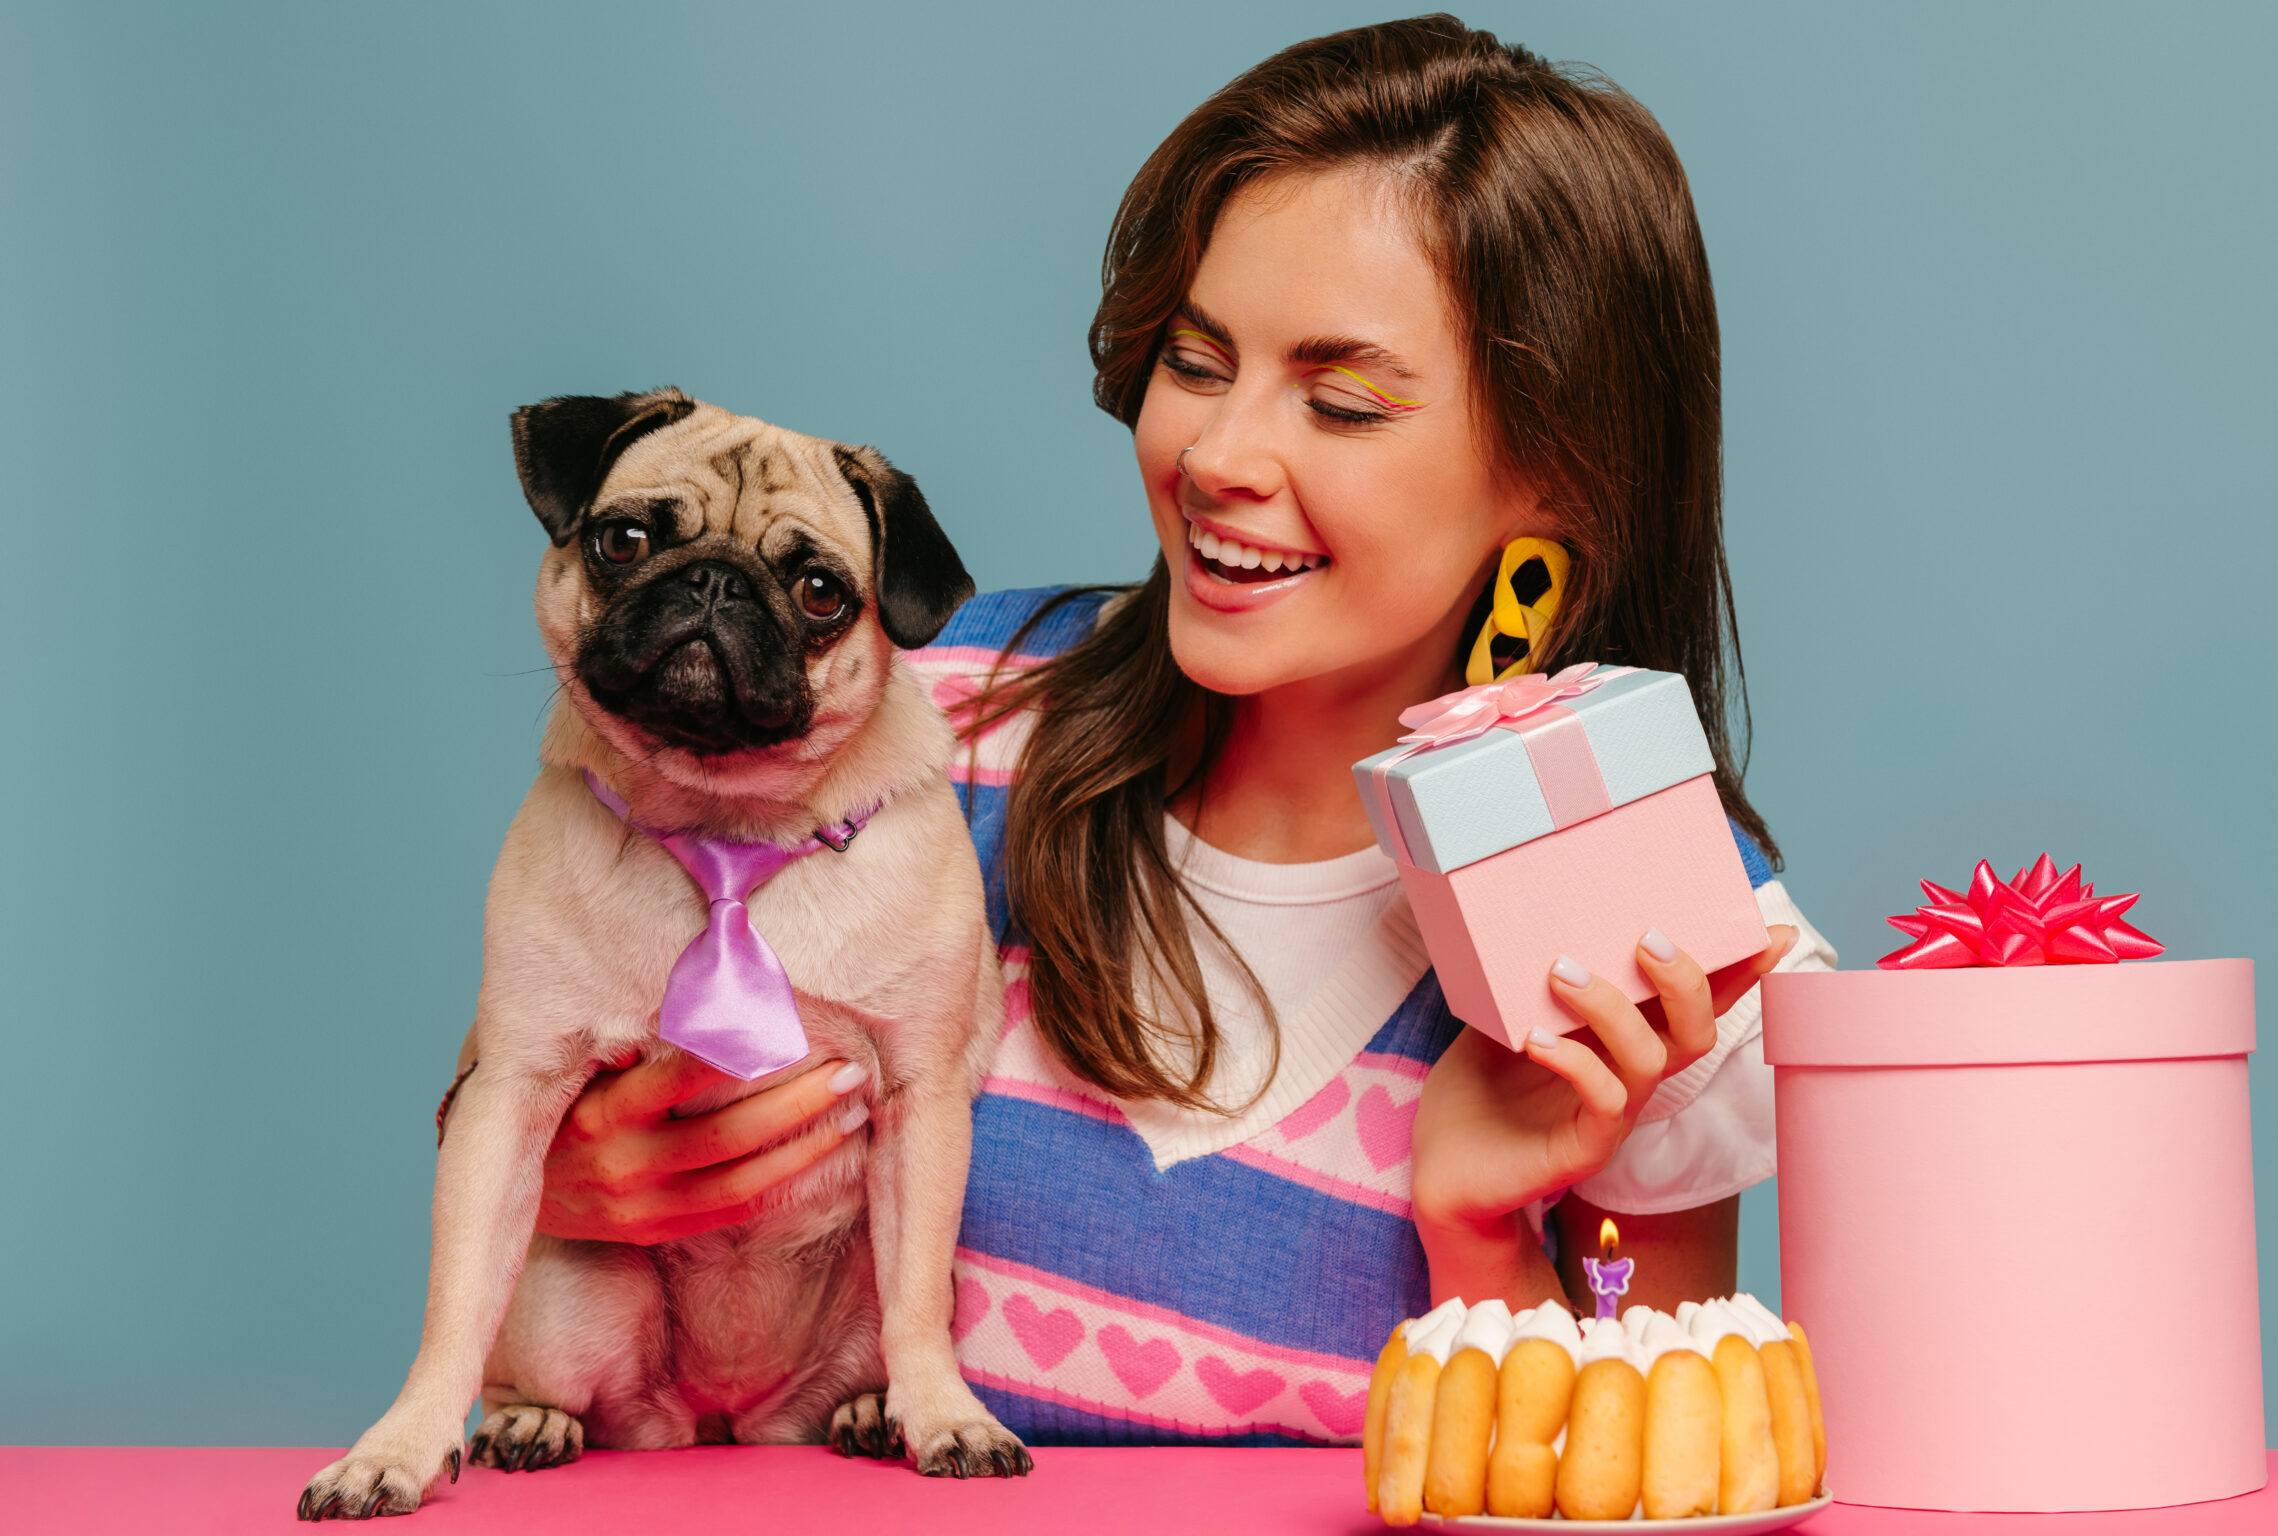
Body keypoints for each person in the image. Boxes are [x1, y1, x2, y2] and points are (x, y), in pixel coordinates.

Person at [491, 15, 1835, 1445]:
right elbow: (546, 1025)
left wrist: (1479, 1232)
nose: (1217, 457)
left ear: (1556, 476)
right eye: (1196, 364)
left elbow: (1666, 1459)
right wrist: (573, 1180)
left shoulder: (1639, 908)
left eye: (1341, 402)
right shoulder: (910, 727)